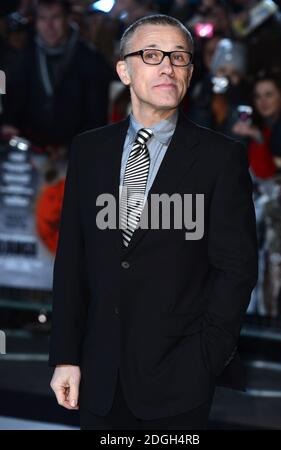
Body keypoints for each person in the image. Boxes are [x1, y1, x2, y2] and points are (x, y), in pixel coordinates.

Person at [48, 14, 258, 430]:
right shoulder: (89, 151)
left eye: (179, 57)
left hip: (180, 377)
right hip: (97, 373)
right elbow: (71, 262)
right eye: (151, 54)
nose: (167, 66)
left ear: (190, 72)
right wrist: (65, 356)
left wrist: (207, 356)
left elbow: (236, 268)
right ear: (124, 70)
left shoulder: (220, 157)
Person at [1, 0, 113, 149]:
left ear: (67, 19)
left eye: (55, 17)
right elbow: (12, 98)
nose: (49, 26)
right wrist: (7, 124)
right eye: (43, 18)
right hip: (31, 149)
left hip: (76, 152)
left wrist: (73, 150)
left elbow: (97, 116)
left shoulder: (90, 60)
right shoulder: (24, 56)